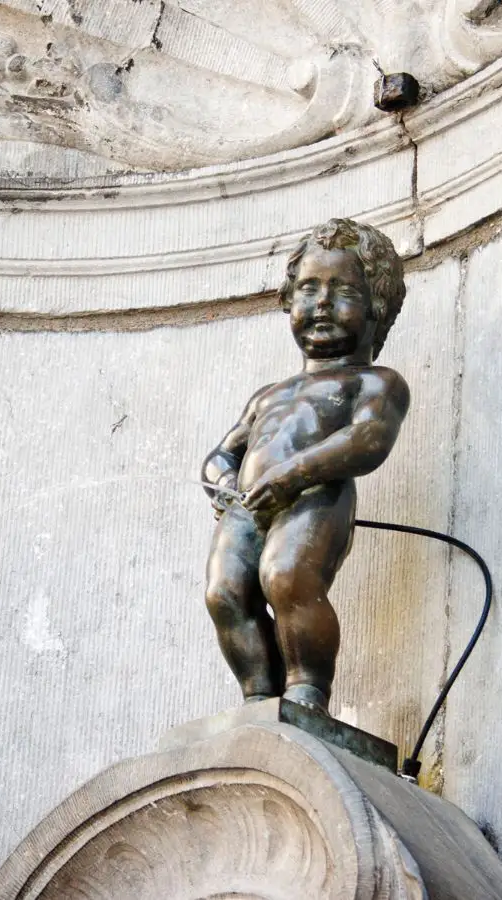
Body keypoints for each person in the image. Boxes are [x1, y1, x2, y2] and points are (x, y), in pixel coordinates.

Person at [200, 218, 410, 712]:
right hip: (247, 506)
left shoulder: (375, 382)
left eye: (341, 292)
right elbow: (223, 452)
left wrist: (292, 476)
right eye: (308, 288)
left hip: (316, 495)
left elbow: (369, 438)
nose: (320, 303)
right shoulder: (268, 395)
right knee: (225, 592)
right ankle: (258, 698)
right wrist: (222, 479)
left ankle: (306, 691)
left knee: (287, 576)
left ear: (376, 306)